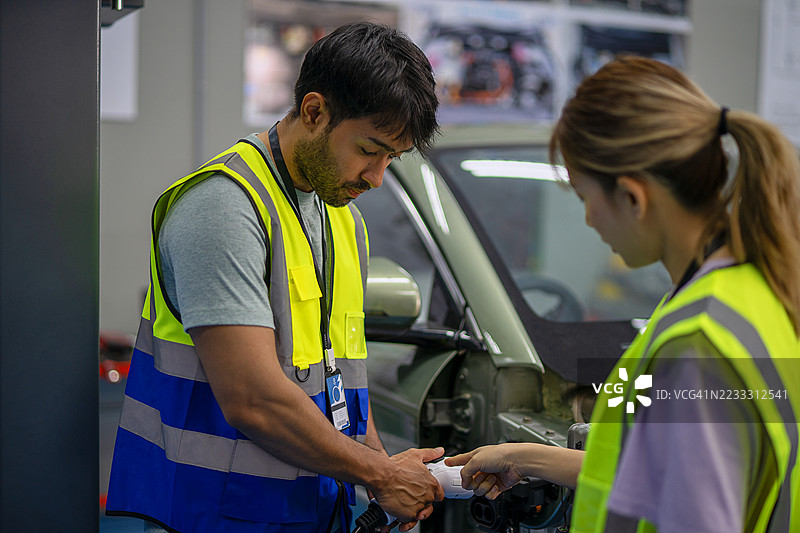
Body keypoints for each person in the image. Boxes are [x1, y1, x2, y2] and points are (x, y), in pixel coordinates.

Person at [106, 22, 444, 533]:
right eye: (370, 150)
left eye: (391, 159)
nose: (376, 177)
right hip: (218, 516)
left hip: (307, 512)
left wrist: (385, 470)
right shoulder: (224, 207)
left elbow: (340, 374)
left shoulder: (341, 217)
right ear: (314, 112)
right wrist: (379, 472)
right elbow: (253, 398)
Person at [446, 55, 800, 533]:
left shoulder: (695, 346)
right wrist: (523, 456)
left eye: (585, 199)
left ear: (633, 198)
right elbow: (653, 466)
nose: (589, 221)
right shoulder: (748, 295)